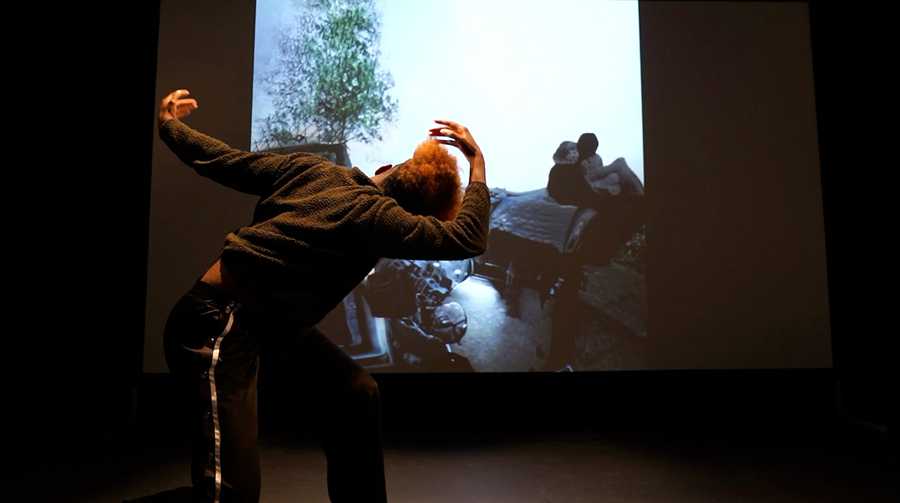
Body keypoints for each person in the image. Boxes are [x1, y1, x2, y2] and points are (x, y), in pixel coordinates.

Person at [158, 89, 490, 503]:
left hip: (271, 327)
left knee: (354, 394)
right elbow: (469, 236)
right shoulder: (378, 217)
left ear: (385, 167)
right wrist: (477, 164)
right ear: (412, 216)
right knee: (229, 494)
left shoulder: (311, 168)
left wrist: (170, 126)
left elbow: (224, 161)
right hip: (218, 324)